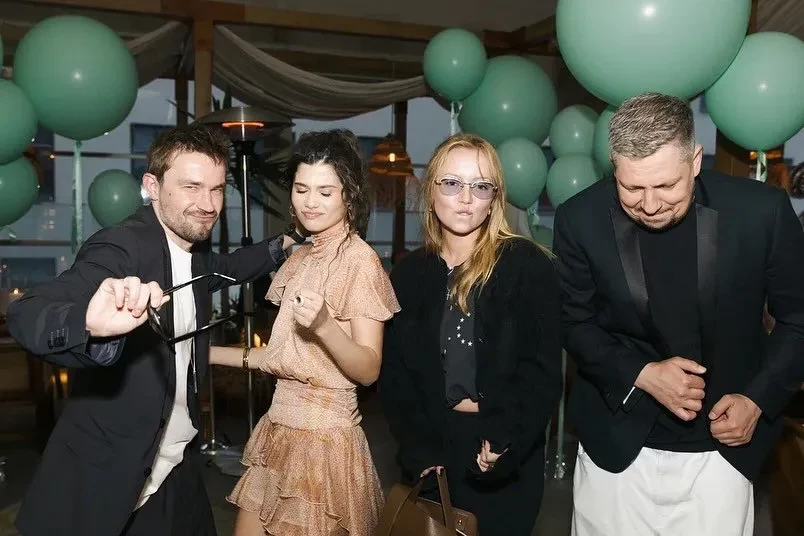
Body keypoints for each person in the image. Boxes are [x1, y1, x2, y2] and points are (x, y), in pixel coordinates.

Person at [6, 124, 305, 536]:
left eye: (217, 189)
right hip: (116, 471)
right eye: (191, 187)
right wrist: (87, 323)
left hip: (177, 462)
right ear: (153, 186)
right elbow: (28, 312)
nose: (207, 205)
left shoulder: (192, 250)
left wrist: (290, 239)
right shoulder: (122, 245)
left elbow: (230, 268)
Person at [553, 92, 804, 536]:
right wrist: (643, 374)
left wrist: (757, 400)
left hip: (723, 451)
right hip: (615, 446)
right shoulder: (579, 218)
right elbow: (574, 323)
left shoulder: (761, 212)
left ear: (695, 160)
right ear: (614, 165)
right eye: (632, 188)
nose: (650, 205)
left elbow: (798, 319)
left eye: (666, 186)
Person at [209, 129, 400, 536]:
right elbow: (280, 358)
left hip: (324, 444)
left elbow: (369, 369)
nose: (310, 202)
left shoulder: (360, 262)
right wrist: (201, 352)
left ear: (349, 195)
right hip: (278, 431)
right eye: (301, 189)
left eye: (325, 192)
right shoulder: (299, 259)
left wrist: (325, 326)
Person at [380, 133, 562, 535]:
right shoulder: (409, 274)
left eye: (480, 186)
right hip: (431, 453)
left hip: (503, 450)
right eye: (452, 183)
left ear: (494, 199)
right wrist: (417, 447)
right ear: (430, 192)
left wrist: (503, 439)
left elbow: (542, 372)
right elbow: (395, 376)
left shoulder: (527, 266)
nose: (466, 198)